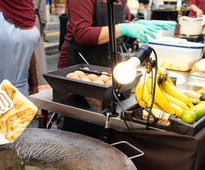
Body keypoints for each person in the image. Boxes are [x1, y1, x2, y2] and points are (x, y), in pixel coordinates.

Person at [56, 0, 176, 138]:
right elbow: (82, 34)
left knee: (104, 123)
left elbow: (113, 25)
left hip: (107, 63)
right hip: (79, 64)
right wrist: (124, 28)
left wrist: (135, 25)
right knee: (78, 124)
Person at [28, 0, 48, 94]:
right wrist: (44, 24)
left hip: (17, 18)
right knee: (38, 54)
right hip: (33, 19)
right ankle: (39, 86)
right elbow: (42, 8)